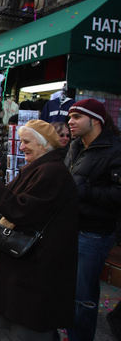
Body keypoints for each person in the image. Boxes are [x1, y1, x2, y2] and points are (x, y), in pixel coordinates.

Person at [0, 120, 79, 340]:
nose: (21, 147)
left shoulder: (52, 172)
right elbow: (5, 203)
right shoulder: (38, 168)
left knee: (31, 327)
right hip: (27, 264)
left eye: (26, 142)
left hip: (38, 266)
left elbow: (22, 211)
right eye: (21, 141)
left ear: (44, 144)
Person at [64, 99, 121, 341]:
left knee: (83, 295)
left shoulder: (115, 150)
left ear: (94, 121)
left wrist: (85, 190)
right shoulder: (76, 146)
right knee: (69, 290)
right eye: (69, 117)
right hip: (69, 227)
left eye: (76, 117)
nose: (70, 122)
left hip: (94, 233)